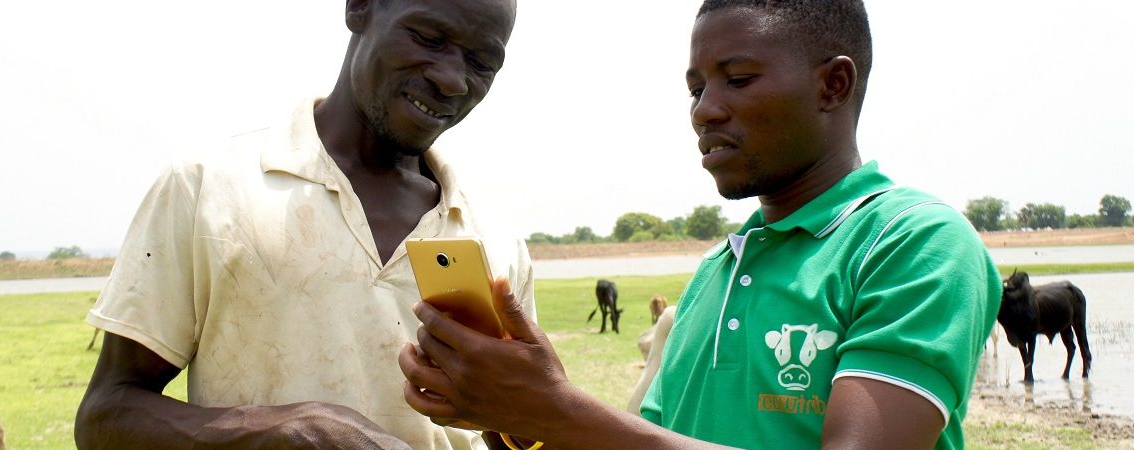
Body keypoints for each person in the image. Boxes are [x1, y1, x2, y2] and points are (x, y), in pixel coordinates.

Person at [399, 1, 1001, 449]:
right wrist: (518, 419)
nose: (704, 110)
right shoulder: (719, 268)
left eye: (737, 79)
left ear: (832, 85)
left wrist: (559, 409)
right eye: (696, 88)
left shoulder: (915, 242)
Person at [75, 0, 534, 449]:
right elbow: (106, 415)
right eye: (429, 38)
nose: (452, 80)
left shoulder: (494, 237)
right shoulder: (207, 187)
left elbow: (517, 428)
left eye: (482, 63)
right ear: (359, 8)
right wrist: (278, 433)